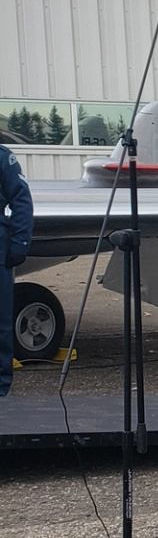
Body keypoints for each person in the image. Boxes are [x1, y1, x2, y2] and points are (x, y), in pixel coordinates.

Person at [2, 141, 33, 398]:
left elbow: (21, 200)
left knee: (1, 322)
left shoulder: (3, 158)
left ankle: (1, 389)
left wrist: (20, 242)